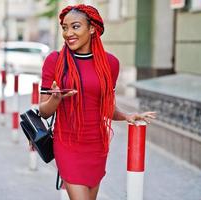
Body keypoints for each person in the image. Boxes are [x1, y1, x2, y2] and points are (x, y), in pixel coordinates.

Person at [39, 4, 156, 200]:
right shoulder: (55, 61)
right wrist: (56, 98)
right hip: (67, 143)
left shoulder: (110, 64)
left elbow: (106, 108)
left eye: (75, 26)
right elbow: (43, 111)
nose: (68, 33)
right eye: (65, 28)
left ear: (92, 28)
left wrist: (127, 116)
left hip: (96, 145)